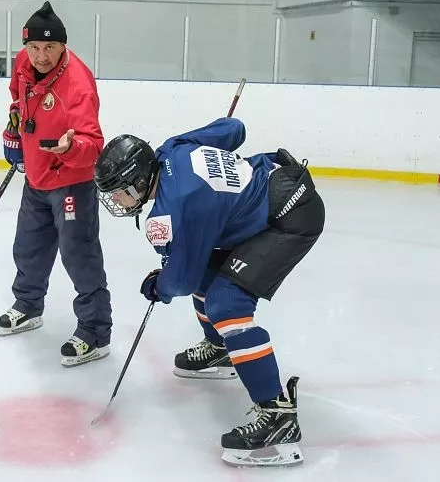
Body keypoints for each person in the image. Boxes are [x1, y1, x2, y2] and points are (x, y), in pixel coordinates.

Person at [93, 116, 325, 466]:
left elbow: (181, 281)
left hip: (289, 217)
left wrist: (159, 285)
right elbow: (235, 129)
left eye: (118, 191)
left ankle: (278, 416)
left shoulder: (173, 212)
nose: (116, 200)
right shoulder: (174, 147)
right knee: (206, 270)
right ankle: (219, 348)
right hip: (274, 184)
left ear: (139, 181)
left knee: (226, 304)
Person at [0, 1, 112, 368]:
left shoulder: (78, 83)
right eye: (34, 47)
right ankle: (28, 305)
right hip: (36, 176)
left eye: (49, 48)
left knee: (79, 255)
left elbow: (93, 144)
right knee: (28, 246)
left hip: (70, 183)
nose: (40, 56)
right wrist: (14, 128)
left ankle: (95, 332)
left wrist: (71, 147)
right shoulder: (22, 62)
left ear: (63, 46)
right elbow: (18, 100)